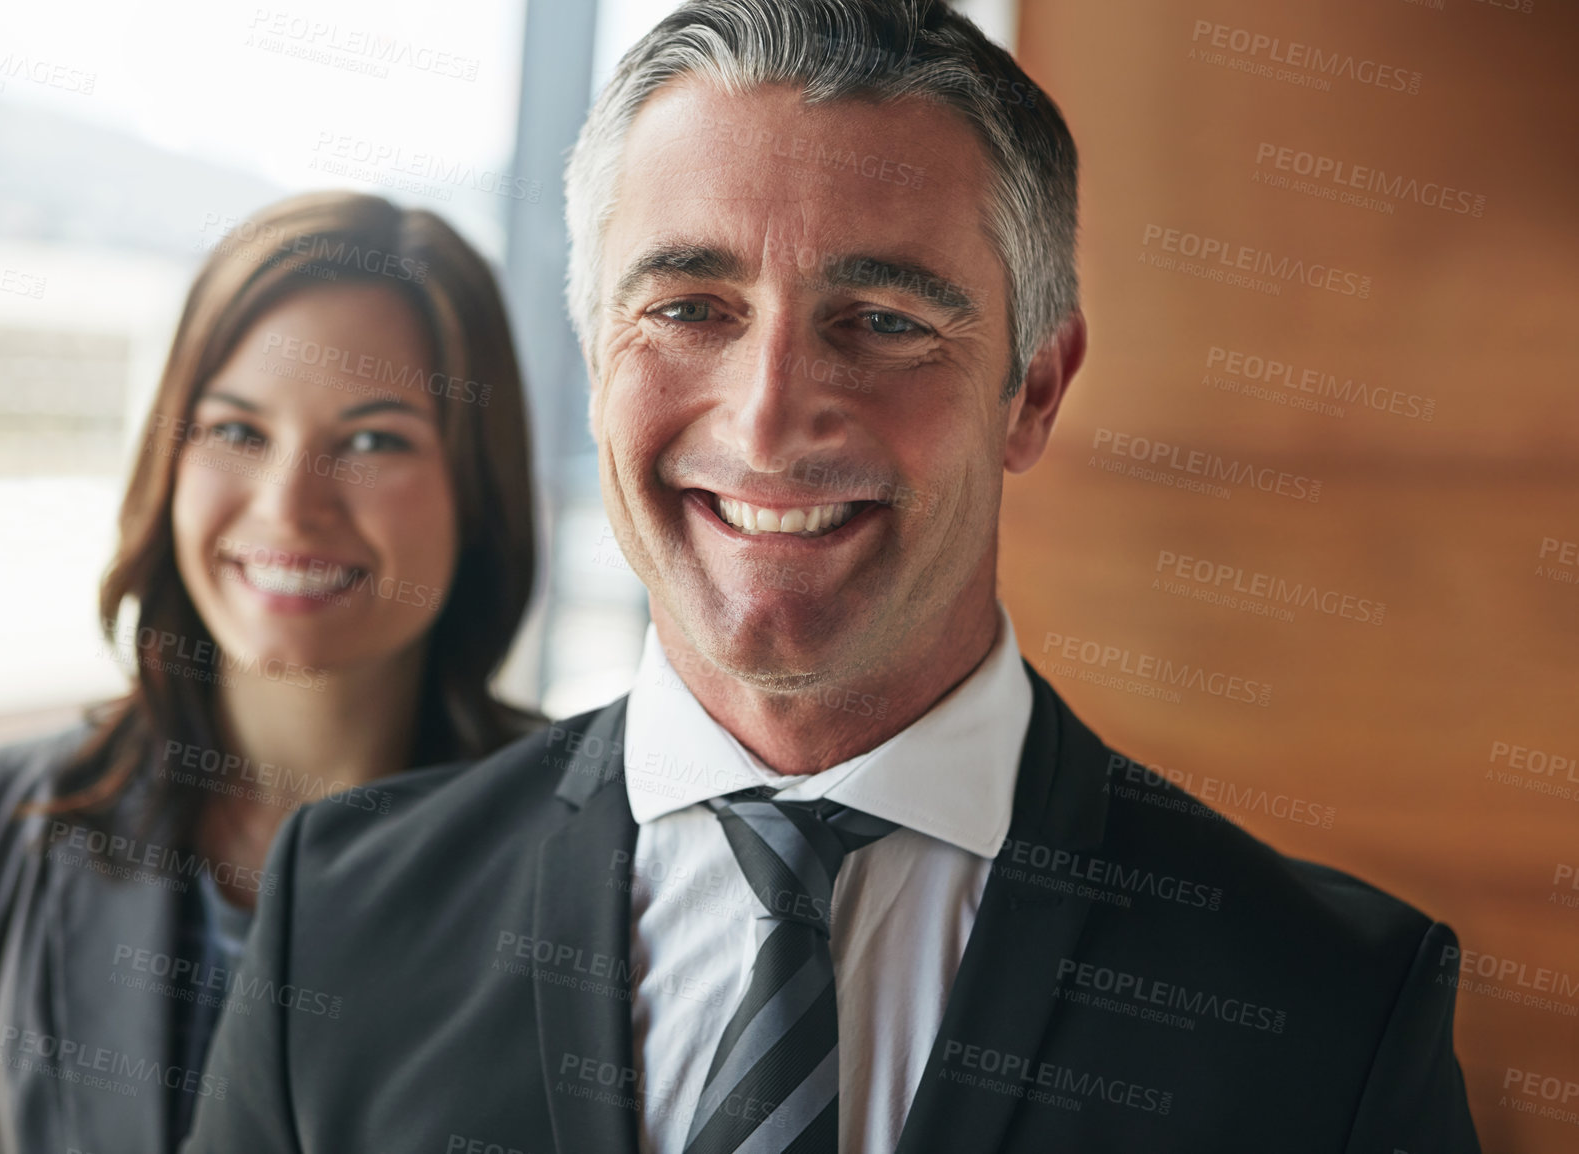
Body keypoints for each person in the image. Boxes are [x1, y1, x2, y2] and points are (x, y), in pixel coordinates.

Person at [184, 4, 1482, 1152]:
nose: (767, 418)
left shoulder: (1329, 1006)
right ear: (593, 356)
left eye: (885, 321)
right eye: (690, 306)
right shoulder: (343, 912)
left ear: (1034, 388)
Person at [0, 191, 540, 1153]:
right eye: (236, 431)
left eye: (374, 440)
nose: (289, 508)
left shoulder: (587, 859)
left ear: (477, 484)